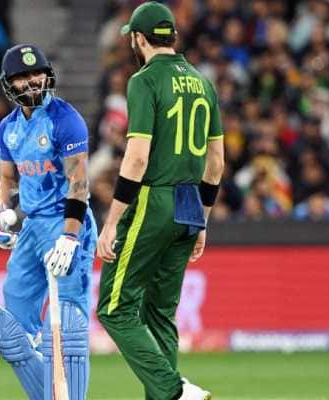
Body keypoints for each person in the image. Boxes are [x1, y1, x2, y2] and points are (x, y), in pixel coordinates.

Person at [95, 2, 224, 400]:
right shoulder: (204, 82)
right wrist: (201, 219)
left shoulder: (144, 80)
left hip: (155, 199)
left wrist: (113, 220)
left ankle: (173, 391)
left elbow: (136, 157)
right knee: (160, 313)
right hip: (189, 204)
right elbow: (215, 165)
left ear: (138, 38)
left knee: (114, 308)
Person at [0, 44, 97, 400]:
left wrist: (69, 238)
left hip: (67, 222)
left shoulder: (66, 119)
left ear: (47, 75)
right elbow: (8, 179)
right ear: (9, 84)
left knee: (68, 329)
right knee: (11, 334)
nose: (32, 81)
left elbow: (79, 185)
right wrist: (4, 213)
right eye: (22, 76)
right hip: (33, 227)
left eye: (36, 73)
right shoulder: (9, 128)